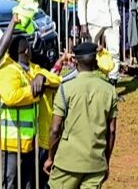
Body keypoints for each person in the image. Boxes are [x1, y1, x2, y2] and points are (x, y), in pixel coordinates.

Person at [44, 42, 118, 188]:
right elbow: (112, 131)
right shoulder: (110, 90)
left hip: (67, 162)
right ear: (95, 61)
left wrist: (50, 158)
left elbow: (55, 129)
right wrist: (105, 162)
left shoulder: (66, 89)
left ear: (75, 61)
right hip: (95, 162)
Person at [0, 36, 61, 189]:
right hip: (9, 142)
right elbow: (10, 96)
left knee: (27, 183)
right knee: (8, 183)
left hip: (28, 142)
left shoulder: (31, 68)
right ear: (26, 51)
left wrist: (42, 77)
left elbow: (56, 79)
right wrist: (34, 93)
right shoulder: (8, 70)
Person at [78, 0, 120, 84]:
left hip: (112, 17)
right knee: (89, 52)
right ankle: (87, 79)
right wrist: (83, 23)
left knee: (114, 50)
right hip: (93, 19)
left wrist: (116, 16)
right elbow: (82, 0)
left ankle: (113, 80)